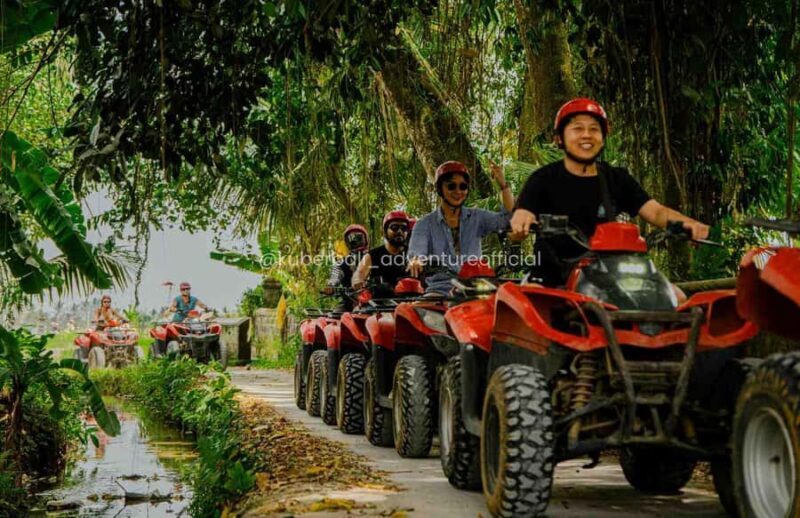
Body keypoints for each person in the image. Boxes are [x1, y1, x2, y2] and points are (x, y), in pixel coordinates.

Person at [510, 97, 710, 286]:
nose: (586, 135)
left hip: (610, 274)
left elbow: (655, 212)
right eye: (577, 128)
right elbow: (523, 213)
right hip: (551, 279)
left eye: (594, 129)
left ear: (603, 138)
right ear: (559, 139)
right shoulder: (542, 179)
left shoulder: (617, 178)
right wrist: (521, 222)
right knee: (527, 310)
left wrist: (688, 225)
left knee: (675, 298)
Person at [407, 160, 514, 295]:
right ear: (440, 189)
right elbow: (417, 252)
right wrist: (416, 260)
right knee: (426, 315)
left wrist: (503, 185)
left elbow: (508, 220)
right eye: (451, 186)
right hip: (441, 291)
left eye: (463, 186)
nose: (458, 191)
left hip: (476, 289)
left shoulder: (477, 217)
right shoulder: (424, 224)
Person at [351, 211, 411, 296]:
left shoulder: (413, 253)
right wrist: (358, 280)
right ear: (384, 231)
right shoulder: (372, 255)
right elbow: (360, 272)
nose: (400, 231)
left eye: (404, 228)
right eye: (394, 227)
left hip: (410, 301)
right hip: (378, 303)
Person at [323, 224, 369, 311]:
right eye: (351, 238)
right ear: (347, 243)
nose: (355, 240)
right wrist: (331, 285)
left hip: (374, 301)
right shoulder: (342, 262)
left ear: (365, 239)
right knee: (335, 315)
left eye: (358, 237)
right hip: (349, 302)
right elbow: (336, 273)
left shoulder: (375, 257)